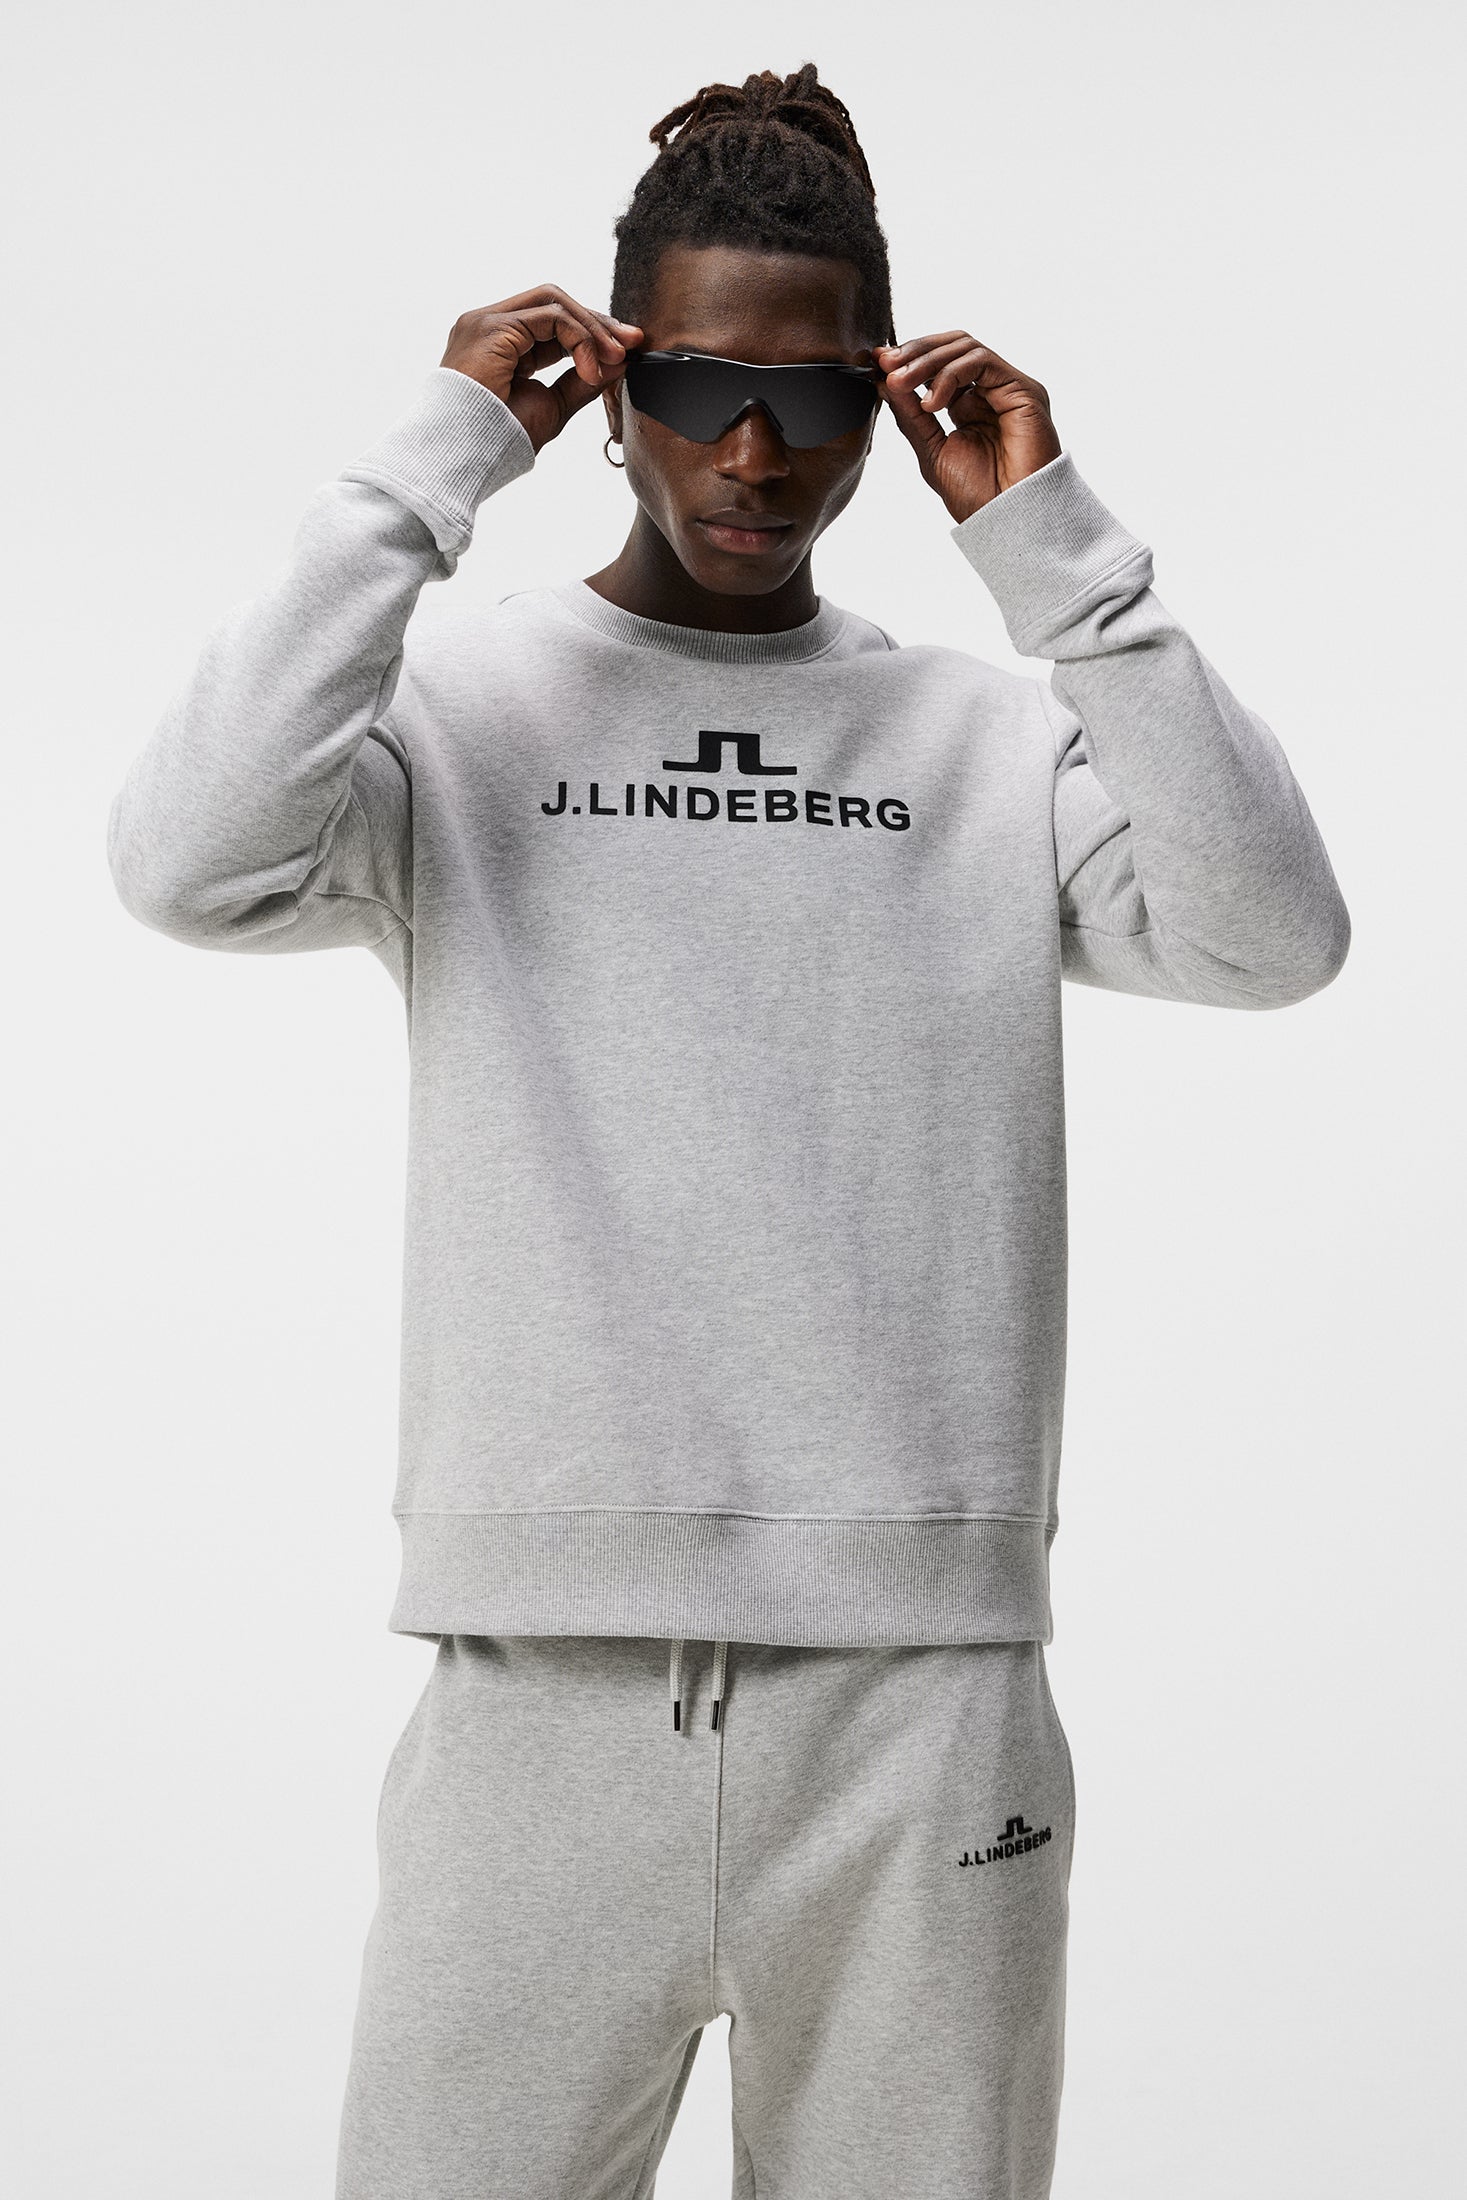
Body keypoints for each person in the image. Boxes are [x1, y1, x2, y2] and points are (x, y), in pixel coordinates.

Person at [106, 61, 1351, 2200]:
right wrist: (427, 465)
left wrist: (1055, 557)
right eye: (692, 386)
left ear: (887, 400)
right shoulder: (462, 715)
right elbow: (186, 859)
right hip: (533, 1696)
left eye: (810, 398)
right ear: (609, 384)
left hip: (925, 1708)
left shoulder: (982, 743)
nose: (752, 452)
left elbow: (1272, 935)